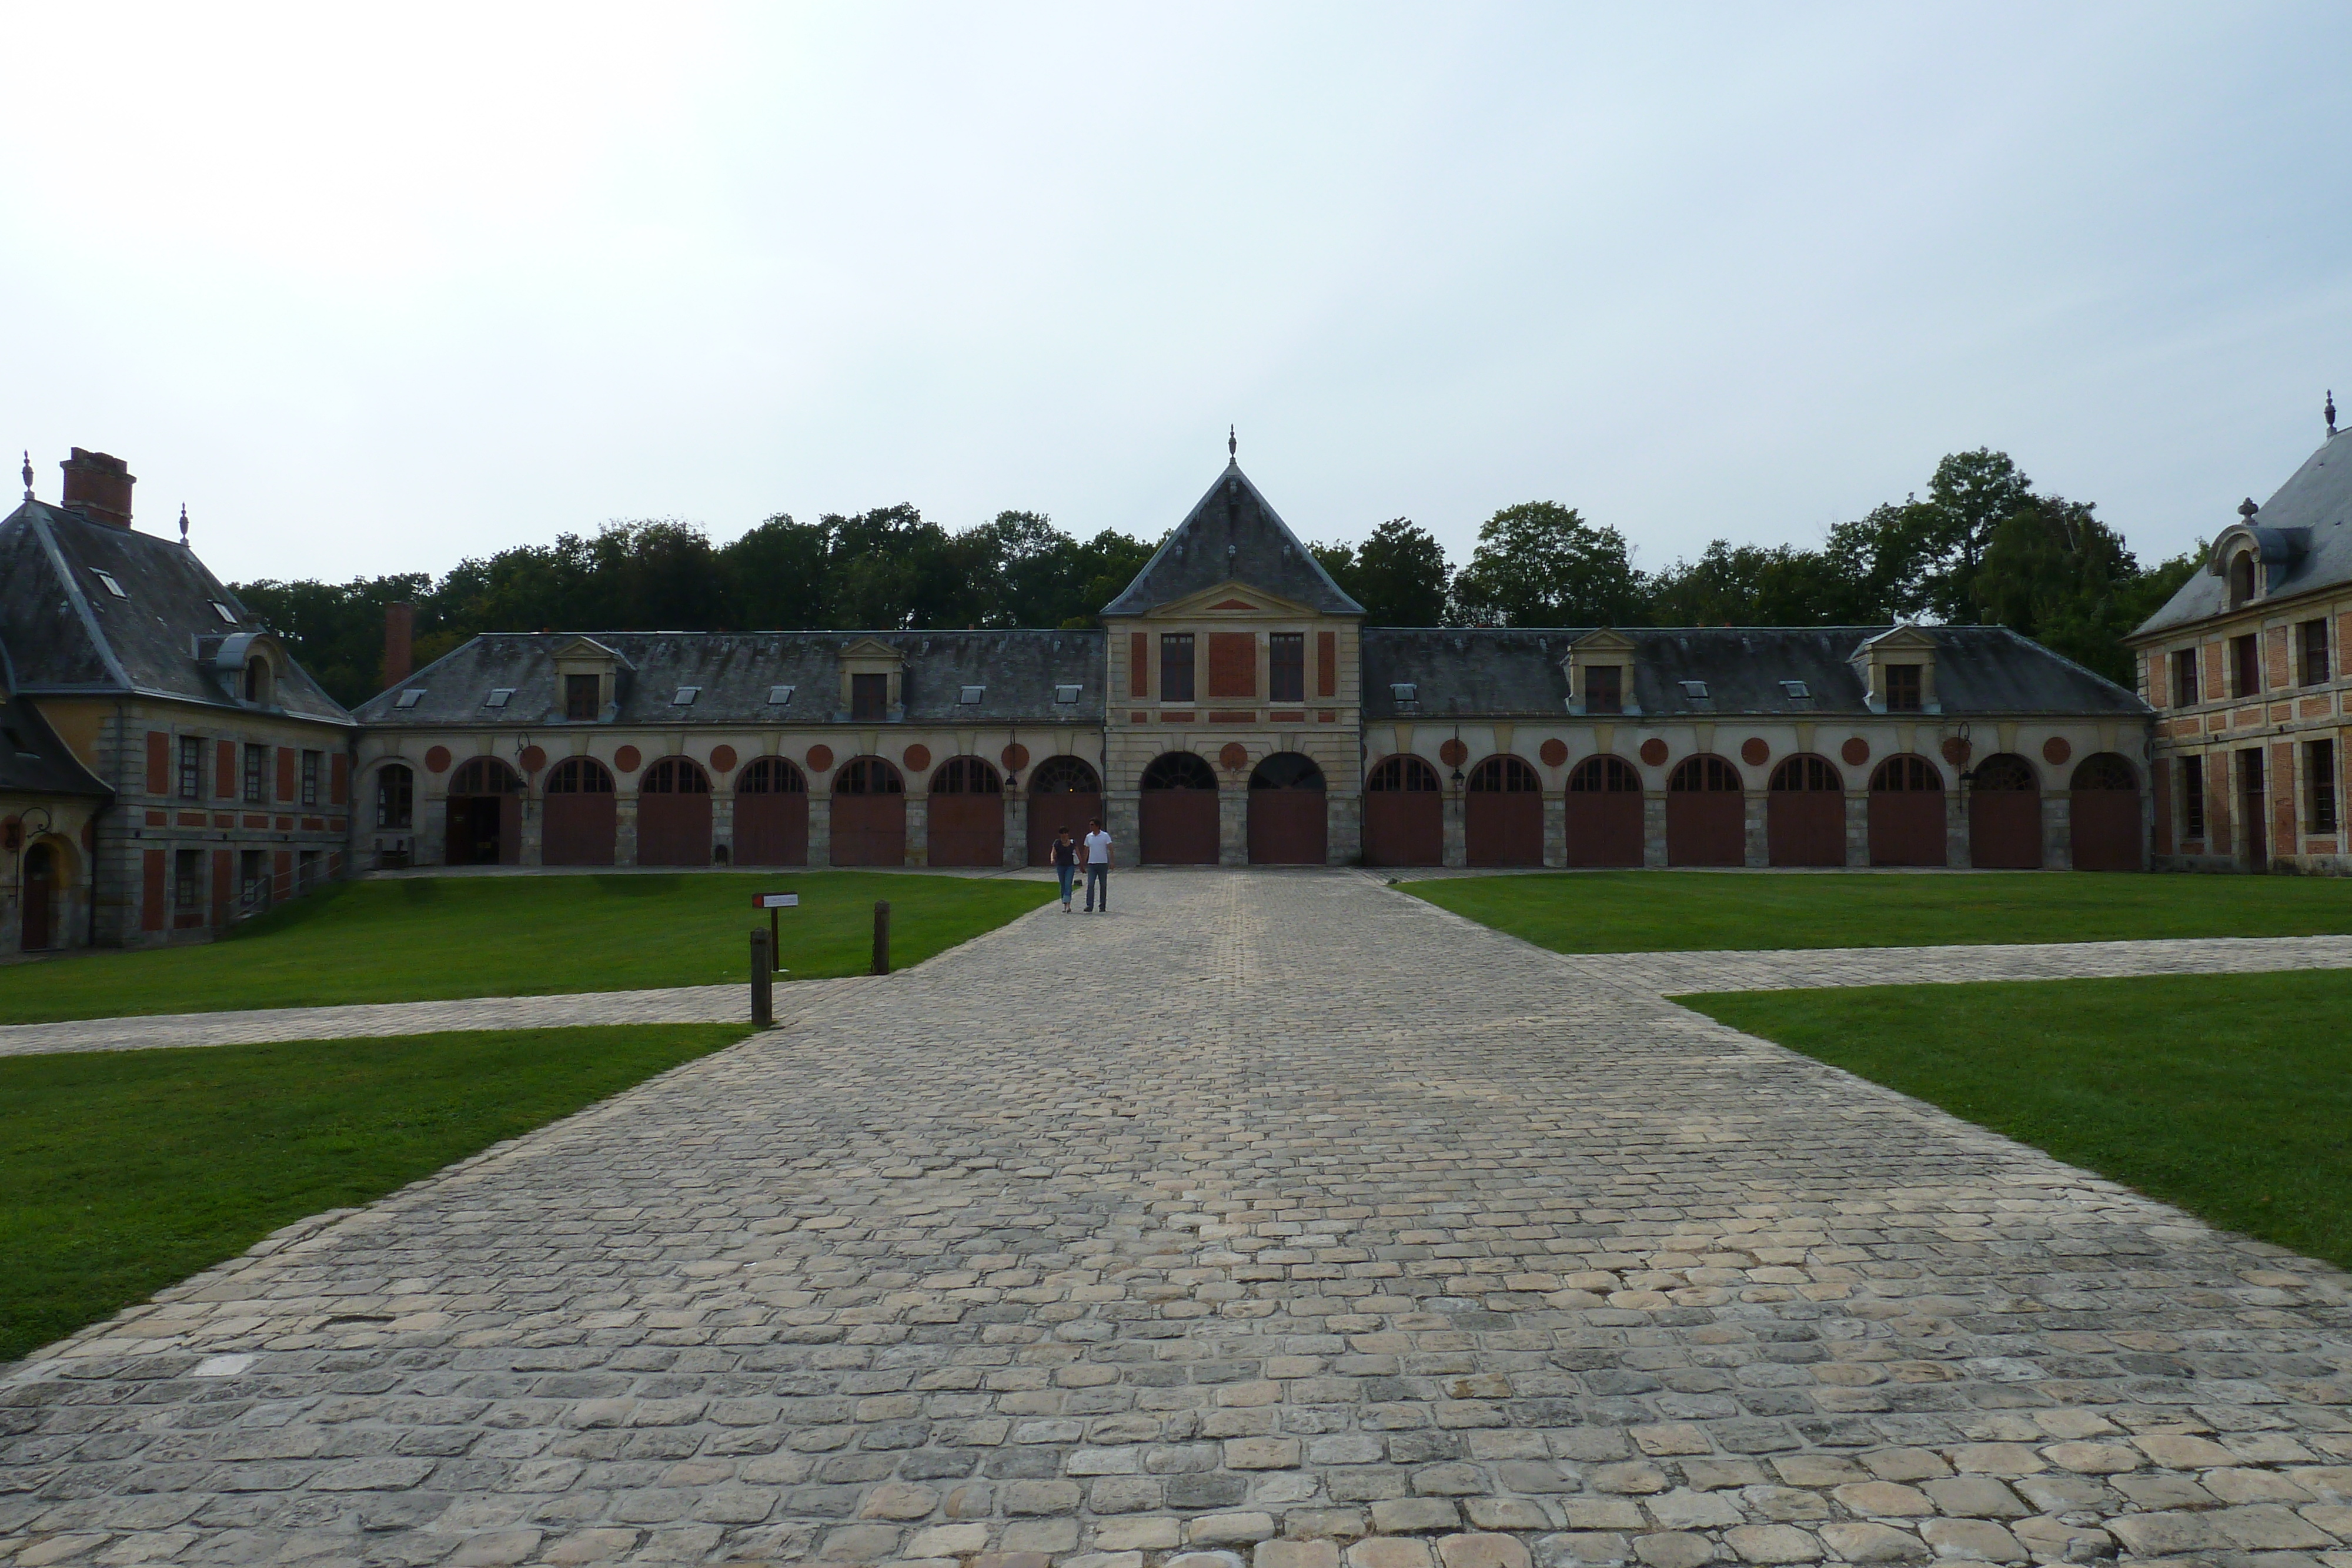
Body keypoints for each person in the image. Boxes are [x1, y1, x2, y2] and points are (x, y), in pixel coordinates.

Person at [1082, 817, 1112, 912]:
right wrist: (1083, 863)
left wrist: (1112, 861)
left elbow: (1110, 849)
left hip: (1103, 864)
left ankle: (1102, 906)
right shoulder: (1089, 837)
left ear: (1097, 826)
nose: (1090, 827)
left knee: (1103, 885)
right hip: (1092, 864)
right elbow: (1086, 850)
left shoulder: (1105, 836)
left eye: (1092, 825)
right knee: (1090, 884)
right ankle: (1089, 905)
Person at [1048, 825, 1078, 911]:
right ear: (1060, 834)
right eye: (1062, 833)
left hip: (1070, 866)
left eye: (1066, 833)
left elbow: (1078, 853)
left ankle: (1068, 905)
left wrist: (1081, 865)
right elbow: (1053, 852)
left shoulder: (1072, 843)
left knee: (1068, 884)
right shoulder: (1057, 843)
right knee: (1063, 885)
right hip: (1060, 866)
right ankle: (1065, 904)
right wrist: (1052, 859)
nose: (1064, 834)